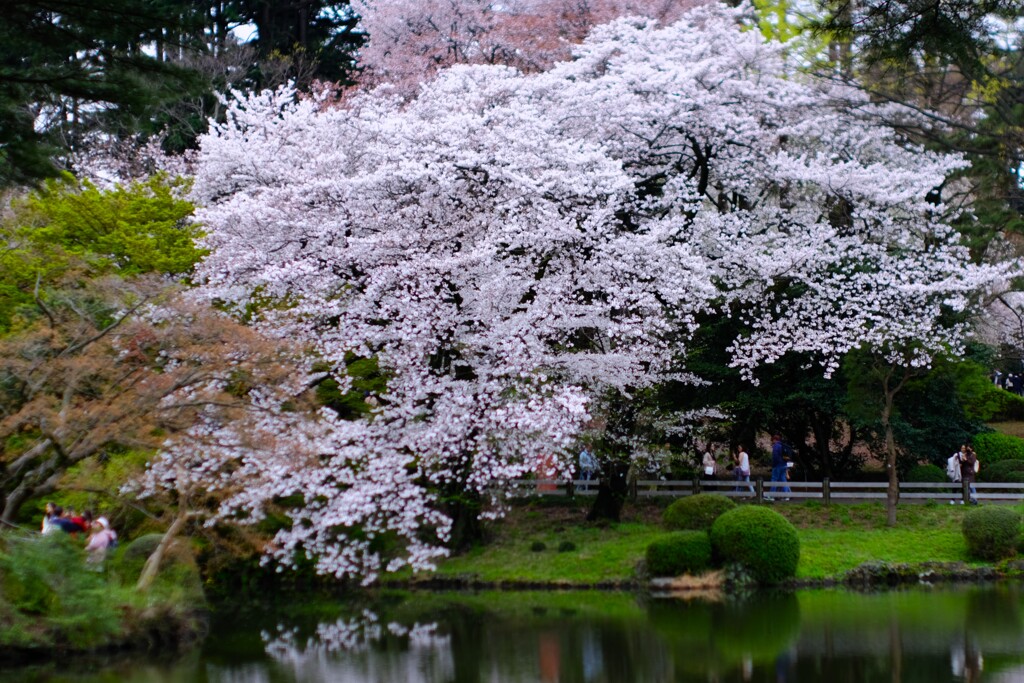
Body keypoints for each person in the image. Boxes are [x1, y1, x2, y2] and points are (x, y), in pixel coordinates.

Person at [767, 434, 792, 501]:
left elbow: (775, 457)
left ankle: (772, 496)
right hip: (784, 464)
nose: (772, 441)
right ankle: (787, 496)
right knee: (783, 479)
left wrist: (774, 465)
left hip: (777, 465)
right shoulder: (782, 445)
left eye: (772, 440)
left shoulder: (776, 446)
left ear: (775, 440)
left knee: (774, 479)